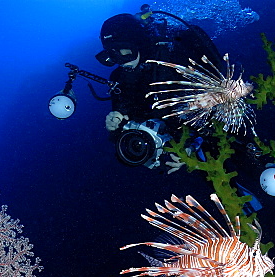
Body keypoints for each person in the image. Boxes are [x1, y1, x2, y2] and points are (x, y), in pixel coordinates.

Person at [95, 9, 223, 170]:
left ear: (139, 43)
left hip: (220, 132)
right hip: (185, 148)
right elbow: (127, 140)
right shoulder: (119, 79)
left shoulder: (174, 58)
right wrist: (115, 126)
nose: (120, 61)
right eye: (113, 55)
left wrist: (195, 143)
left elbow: (219, 101)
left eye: (125, 51)